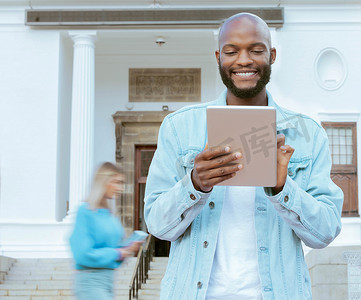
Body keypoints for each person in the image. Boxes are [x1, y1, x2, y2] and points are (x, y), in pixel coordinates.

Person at [144, 13, 343, 299]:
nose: (244, 60)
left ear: (272, 55)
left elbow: (324, 232)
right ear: (218, 57)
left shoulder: (307, 133)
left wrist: (283, 188)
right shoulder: (179, 128)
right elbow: (158, 226)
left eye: (256, 49)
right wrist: (195, 184)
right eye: (231, 51)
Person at [69, 162, 143, 300]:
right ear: (103, 182)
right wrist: (119, 252)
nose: (120, 188)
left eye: (122, 183)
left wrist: (128, 249)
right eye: (117, 182)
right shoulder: (85, 212)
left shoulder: (110, 215)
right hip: (90, 282)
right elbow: (82, 254)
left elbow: (113, 251)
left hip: (108, 282)